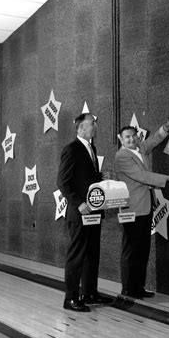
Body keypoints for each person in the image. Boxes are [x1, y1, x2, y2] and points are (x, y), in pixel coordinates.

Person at [115, 117, 169, 299]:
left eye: (134, 136)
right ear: (120, 139)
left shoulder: (140, 149)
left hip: (145, 207)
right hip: (131, 210)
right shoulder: (121, 156)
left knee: (142, 250)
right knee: (131, 251)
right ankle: (128, 289)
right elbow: (142, 176)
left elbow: (155, 139)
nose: (131, 139)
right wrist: (167, 178)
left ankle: (138, 287)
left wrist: (167, 126)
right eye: (127, 137)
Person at [57, 113, 113, 312]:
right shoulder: (71, 149)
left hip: (94, 211)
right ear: (81, 128)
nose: (95, 126)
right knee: (77, 255)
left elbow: (83, 178)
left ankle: (89, 293)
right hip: (80, 212)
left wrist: (99, 176)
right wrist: (79, 203)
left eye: (95, 123)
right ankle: (70, 298)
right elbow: (63, 182)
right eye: (92, 124)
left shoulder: (91, 148)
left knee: (92, 254)